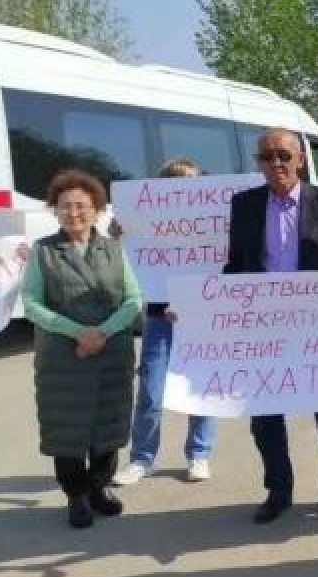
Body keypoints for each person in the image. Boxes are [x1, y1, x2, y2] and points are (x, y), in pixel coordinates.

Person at [224, 127, 318, 525]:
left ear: (301, 159)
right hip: (263, 330)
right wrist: (200, 310)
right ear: (258, 163)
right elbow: (234, 266)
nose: (276, 163)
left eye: (283, 155)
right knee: (265, 418)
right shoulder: (244, 205)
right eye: (267, 156)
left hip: (315, 329)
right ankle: (278, 491)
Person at [22, 169, 143, 528]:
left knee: (108, 424)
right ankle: (76, 495)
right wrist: (77, 332)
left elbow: (133, 300)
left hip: (111, 351)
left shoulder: (115, 249)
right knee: (67, 429)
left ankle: (98, 488)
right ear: (55, 209)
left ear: (97, 209)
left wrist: (102, 333)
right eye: (65, 206)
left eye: (81, 206)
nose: (73, 213)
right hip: (63, 357)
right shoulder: (43, 251)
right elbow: (31, 303)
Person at [113, 158, 217, 486]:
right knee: (150, 390)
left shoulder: (213, 223)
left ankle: (199, 454)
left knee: (200, 389)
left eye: (190, 184)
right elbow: (125, 264)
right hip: (159, 319)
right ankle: (142, 459)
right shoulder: (146, 224)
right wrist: (119, 236)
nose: (183, 190)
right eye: (175, 183)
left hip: (201, 319)